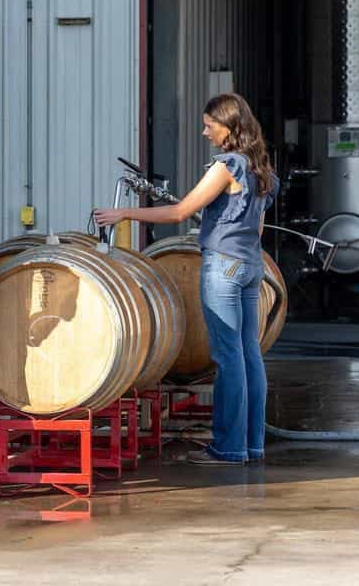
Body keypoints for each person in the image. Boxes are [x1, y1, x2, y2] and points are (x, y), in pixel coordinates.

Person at [94, 93, 279, 465]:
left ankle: (227, 448)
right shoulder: (262, 170)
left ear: (229, 126)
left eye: (210, 125)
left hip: (223, 267)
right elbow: (257, 228)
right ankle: (251, 445)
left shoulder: (226, 165)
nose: (204, 131)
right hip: (250, 266)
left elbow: (181, 211)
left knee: (228, 357)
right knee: (248, 354)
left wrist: (124, 213)